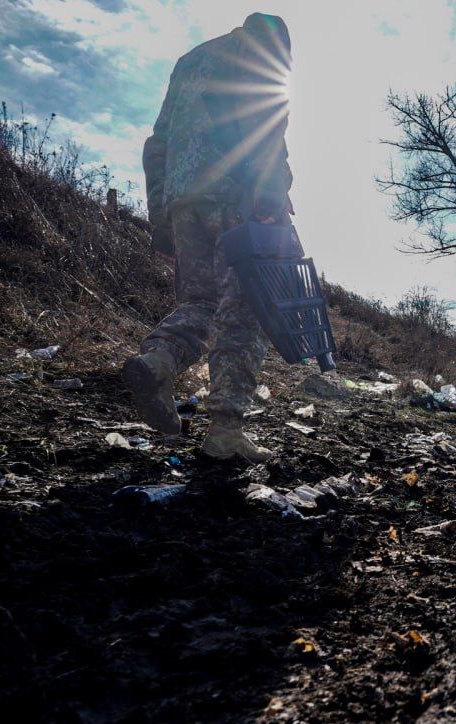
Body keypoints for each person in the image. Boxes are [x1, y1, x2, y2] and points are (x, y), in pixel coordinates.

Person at [123, 13, 298, 464]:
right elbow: (267, 119)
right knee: (246, 310)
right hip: (236, 195)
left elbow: (157, 144)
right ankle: (225, 432)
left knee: (201, 301)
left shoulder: (189, 61)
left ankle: (159, 361)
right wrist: (269, 191)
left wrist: (161, 217)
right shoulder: (261, 44)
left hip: (183, 200)